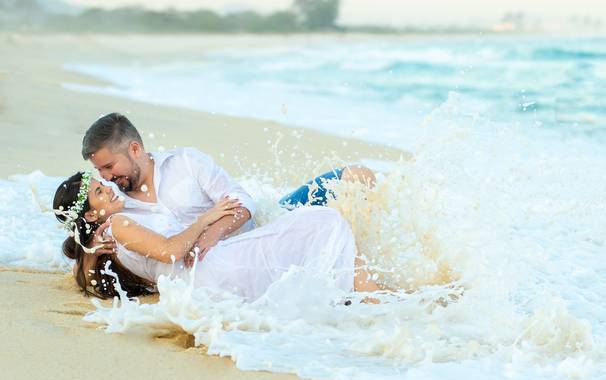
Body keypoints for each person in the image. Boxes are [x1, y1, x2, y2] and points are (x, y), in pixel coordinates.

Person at [77, 112, 376, 291]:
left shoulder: (186, 163)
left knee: (357, 176)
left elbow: (243, 202)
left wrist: (214, 231)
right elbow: (83, 245)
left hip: (262, 230)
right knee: (326, 226)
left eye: (109, 167)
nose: (106, 178)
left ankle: (370, 264)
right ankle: (365, 285)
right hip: (225, 270)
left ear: (134, 149)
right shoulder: (115, 208)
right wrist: (90, 249)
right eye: (100, 171)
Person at [53, 170, 383, 301]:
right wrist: (207, 219)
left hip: (204, 284)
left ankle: (369, 297)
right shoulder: (118, 225)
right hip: (213, 268)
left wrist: (89, 247)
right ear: (91, 215)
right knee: (322, 222)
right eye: (99, 191)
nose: (109, 188)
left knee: (311, 234)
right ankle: (377, 298)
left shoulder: (103, 243)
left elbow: (79, 268)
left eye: (102, 183)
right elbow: (170, 251)